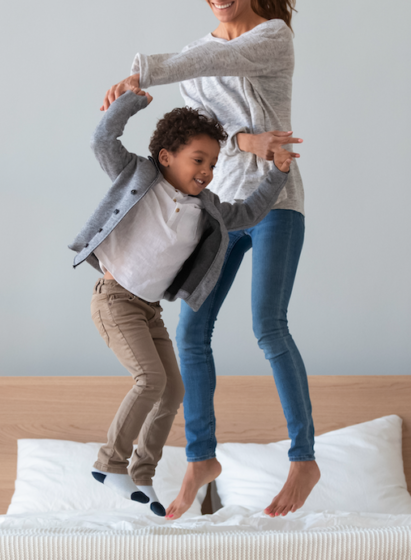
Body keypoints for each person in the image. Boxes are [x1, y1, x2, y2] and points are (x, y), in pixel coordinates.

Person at [101, 0, 318, 519]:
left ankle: (303, 458)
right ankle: (201, 456)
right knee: (192, 334)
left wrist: (143, 69)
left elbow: (219, 58)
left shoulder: (272, 38)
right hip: (220, 211)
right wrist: (246, 137)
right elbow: (216, 132)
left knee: (268, 326)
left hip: (274, 204)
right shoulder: (197, 60)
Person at [70, 90, 292, 516]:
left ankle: (140, 474)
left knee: (173, 390)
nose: (207, 171)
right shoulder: (138, 176)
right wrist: (131, 102)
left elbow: (246, 214)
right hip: (114, 300)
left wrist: (277, 174)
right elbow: (102, 140)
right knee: (149, 380)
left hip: (148, 309)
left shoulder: (206, 208)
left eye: (212, 163)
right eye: (198, 160)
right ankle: (110, 462)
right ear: (167, 156)